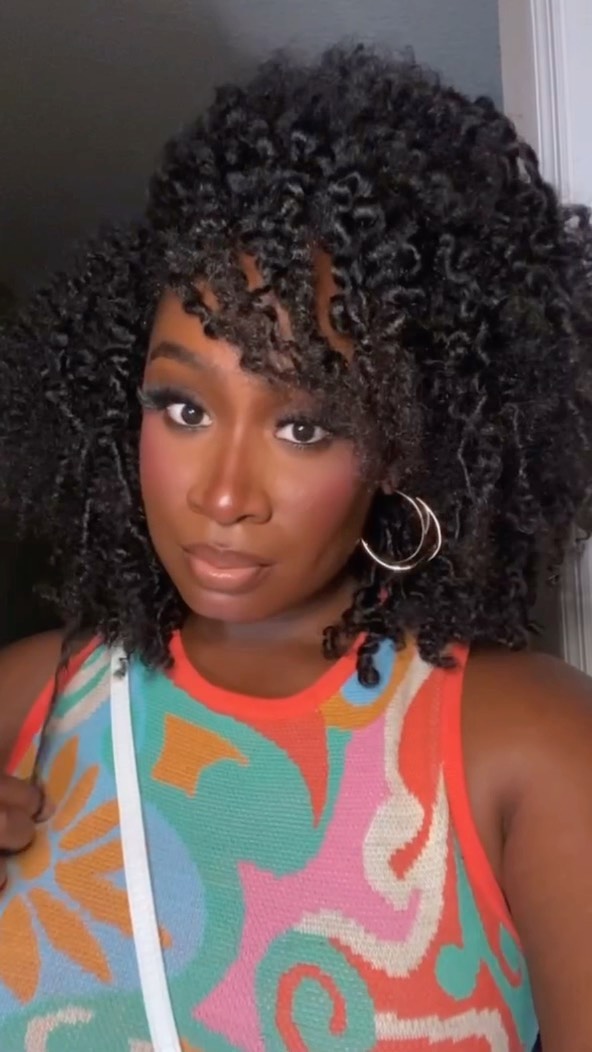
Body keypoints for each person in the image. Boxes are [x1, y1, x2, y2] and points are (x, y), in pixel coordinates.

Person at [0, 43, 590, 1052]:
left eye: (305, 425)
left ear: (404, 444)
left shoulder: (528, 744)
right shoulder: (29, 703)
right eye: (183, 406)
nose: (224, 494)